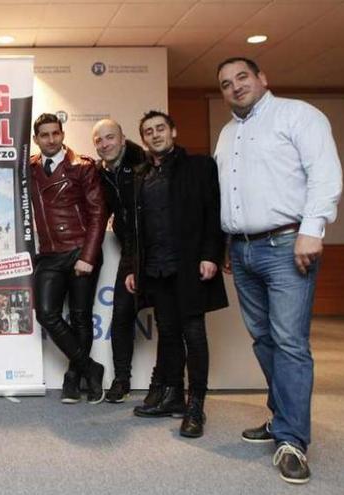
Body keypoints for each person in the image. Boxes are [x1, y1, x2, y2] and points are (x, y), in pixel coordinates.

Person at [214, 57, 342, 483]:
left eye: (242, 78)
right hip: (245, 251)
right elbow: (229, 195)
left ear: (262, 78)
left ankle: (291, 440)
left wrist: (313, 228)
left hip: (288, 244)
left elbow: (324, 174)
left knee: (289, 342)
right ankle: (282, 417)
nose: (235, 87)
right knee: (264, 340)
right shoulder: (227, 133)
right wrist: (229, 242)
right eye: (226, 84)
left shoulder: (298, 115)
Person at [125, 110, 228, 438]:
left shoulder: (199, 167)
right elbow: (134, 229)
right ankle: (173, 397)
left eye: (160, 129)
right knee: (168, 335)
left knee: (194, 335)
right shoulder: (141, 174)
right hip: (155, 269)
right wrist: (132, 267)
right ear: (143, 140)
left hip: (189, 266)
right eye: (148, 132)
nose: (155, 135)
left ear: (173, 131)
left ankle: (196, 404)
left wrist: (211, 254)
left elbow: (214, 213)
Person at [28, 113, 107, 404]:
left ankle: (73, 378)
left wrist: (87, 256)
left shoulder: (81, 166)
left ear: (62, 134)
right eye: (44, 135)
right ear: (36, 140)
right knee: (46, 313)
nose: (51, 139)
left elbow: (99, 213)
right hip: (48, 253)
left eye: (55, 133)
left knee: (80, 316)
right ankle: (91, 367)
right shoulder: (30, 168)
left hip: (79, 251)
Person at [92, 118, 171, 405]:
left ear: (123, 138)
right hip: (130, 253)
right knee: (122, 316)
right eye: (99, 140)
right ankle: (121, 379)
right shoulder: (101, 172)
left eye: (110, 137)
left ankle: (160, 383)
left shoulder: (144, 161)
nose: (105, 144)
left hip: (158, 252)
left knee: (167, 320)